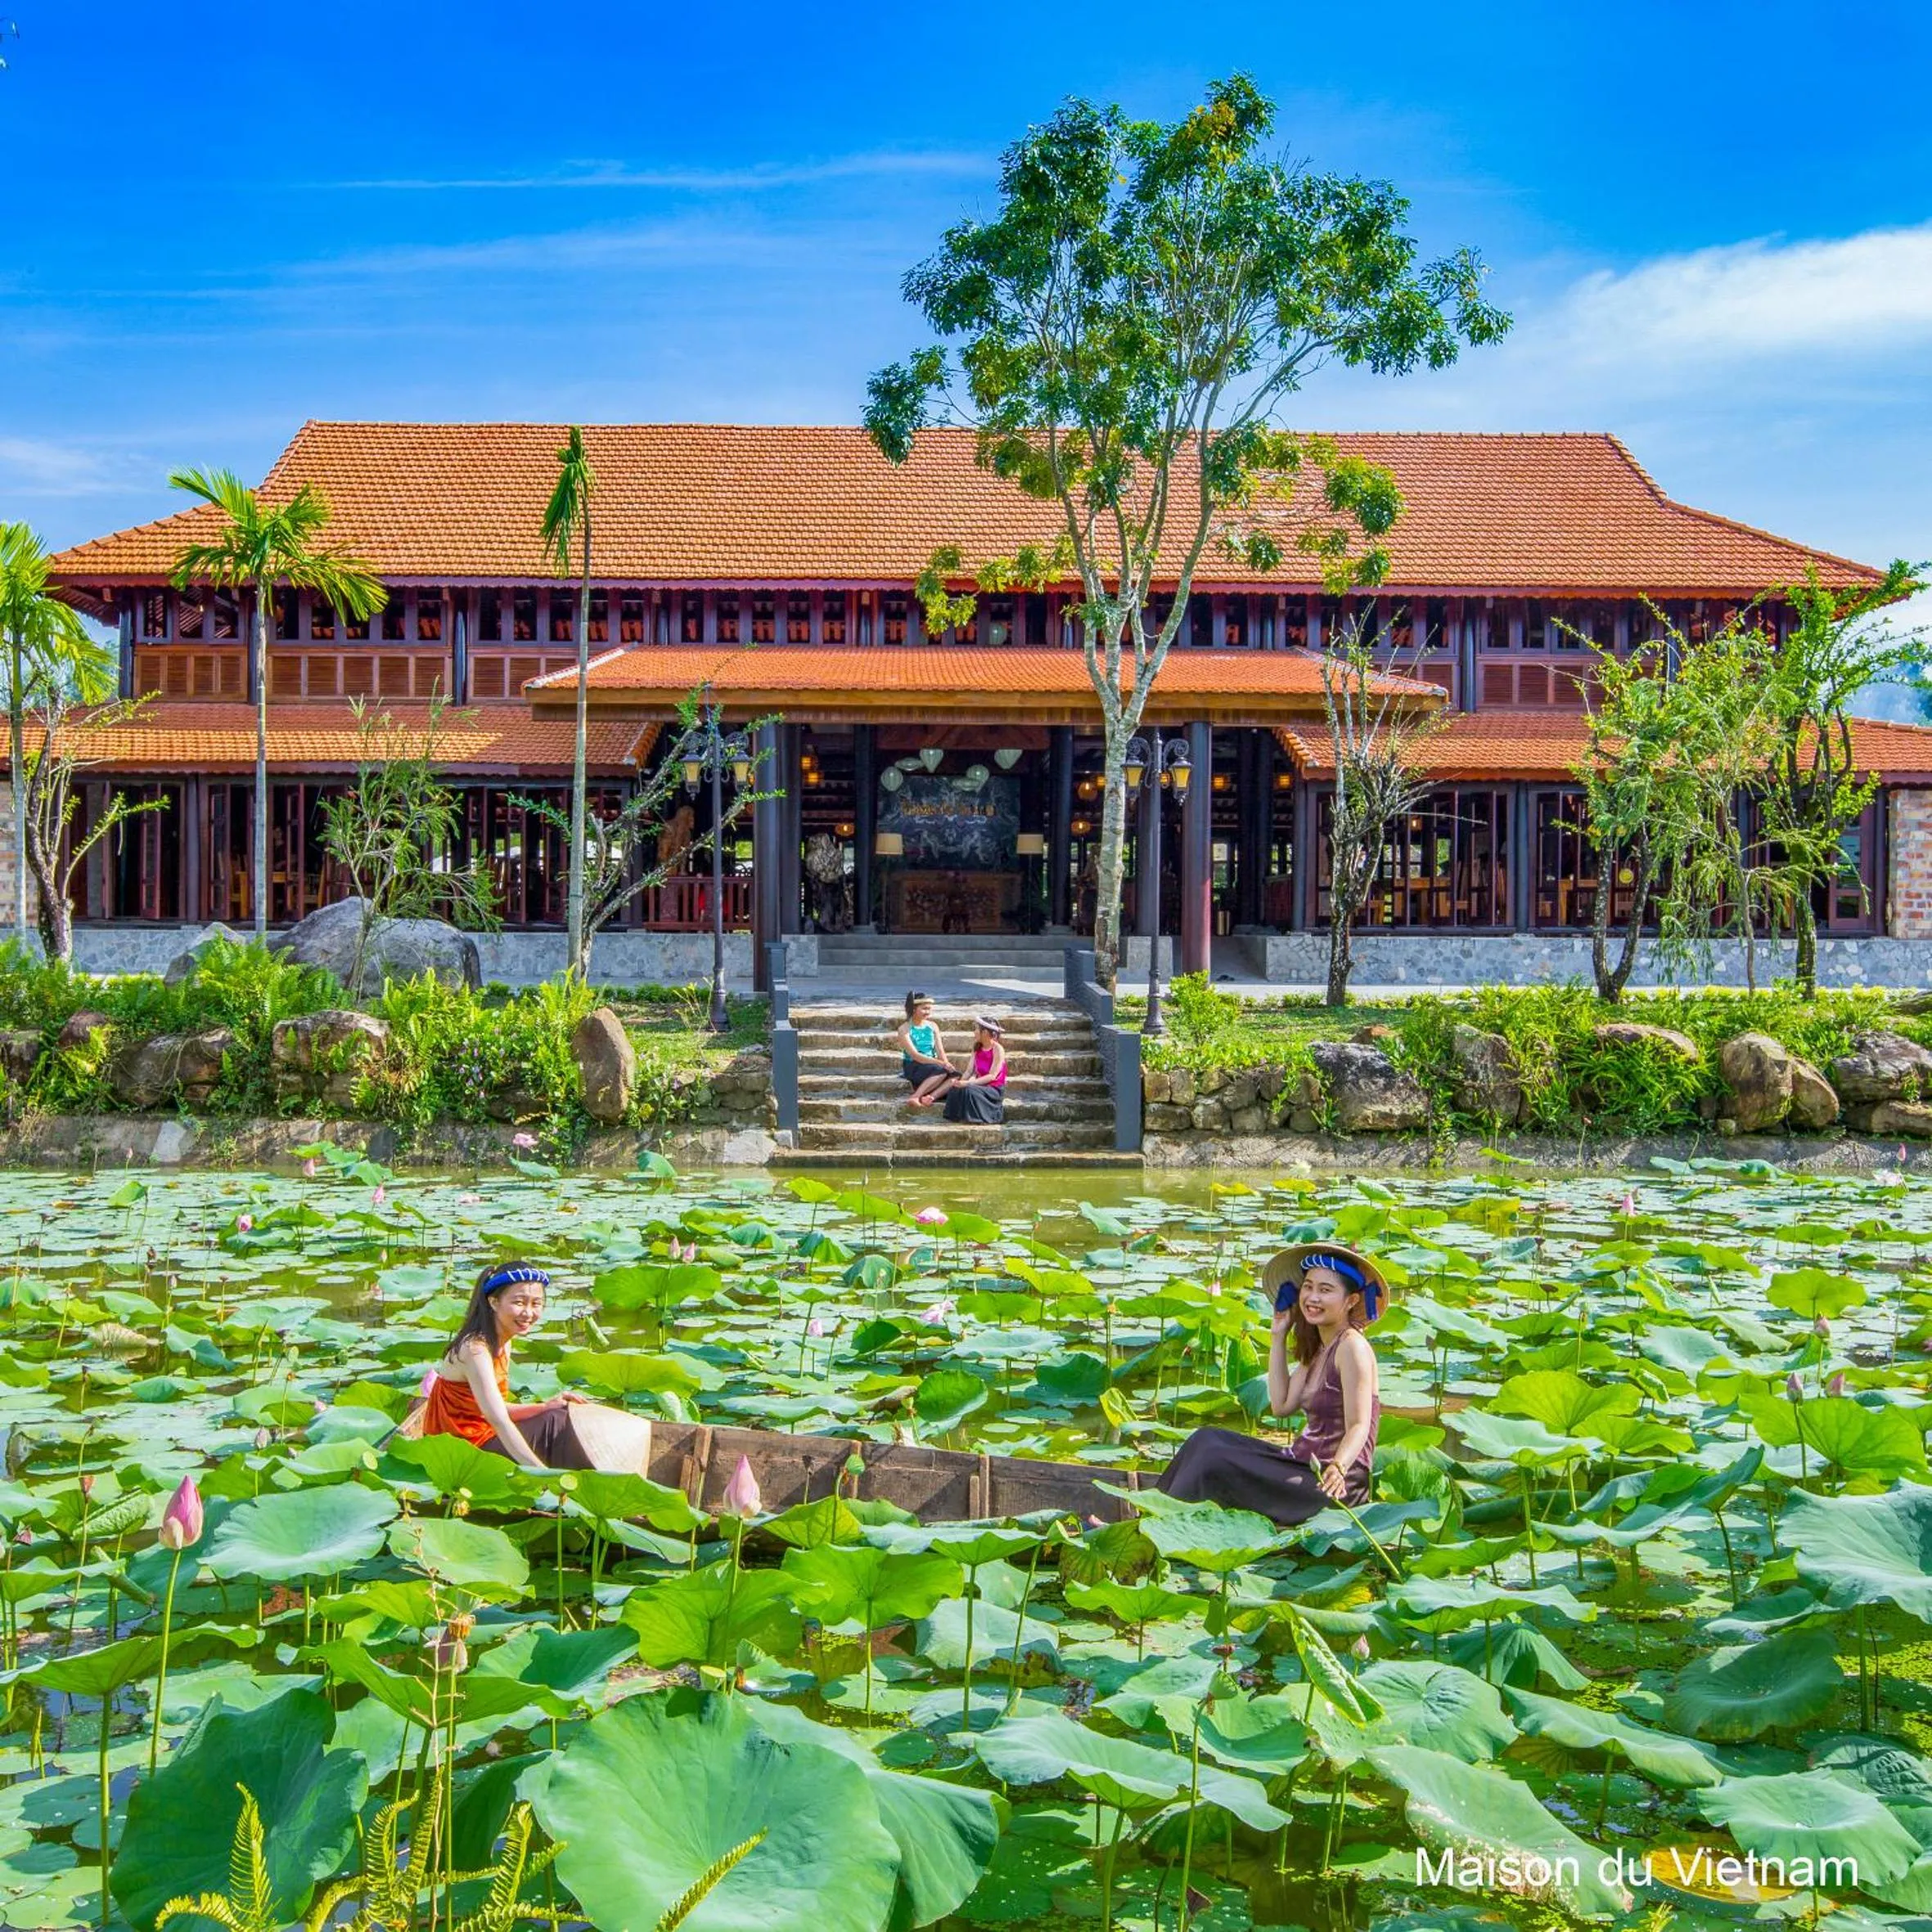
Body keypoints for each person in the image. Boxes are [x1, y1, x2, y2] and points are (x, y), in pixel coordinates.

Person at [1154, 1243, 1385, 1526]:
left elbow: (1360, 1425)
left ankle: (1155, 1530)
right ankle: (1149, 1517)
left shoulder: (1352, 1347)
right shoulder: (1320, 1348)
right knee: (1206, 1438)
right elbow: (1281, 1406)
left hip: (1333, 1487)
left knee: (1213, 1457)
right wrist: (1278, 1335)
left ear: (1351, 1301)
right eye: (1308, 1287)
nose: (1312, 1297)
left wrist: (1338, 1466)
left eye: (1325, 1290)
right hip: (1301, 1466)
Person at [423, 1263, 597, 1470]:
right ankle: (568, 1489)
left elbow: (497, 1409)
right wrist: (541, 1474)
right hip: (461, 1450)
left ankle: (577, 1486)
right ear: (494, 1302)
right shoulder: (475, 1350)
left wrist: (544, 1406)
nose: (528, 1313)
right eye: (519, 1302)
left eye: (536, 1304)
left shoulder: (503, 1341)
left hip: (483, 1435)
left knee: (559, 1413)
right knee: (556, 1424)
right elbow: (498, 1420)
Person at [939, 1016, 1008, 1124]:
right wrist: (959, 1082)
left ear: (985, 1032)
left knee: (969, 1090)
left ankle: (979, 1118)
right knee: (956, 1089)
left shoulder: (998, 1049)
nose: (974, 1032)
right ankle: (956, 1116)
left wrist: (968, 1083)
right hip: (980, 1085)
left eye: (976, 1029)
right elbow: (969, 1071)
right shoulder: (977, 1048)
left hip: (993, 1088)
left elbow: (992, 1076)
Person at [894, 991, 955, 1107]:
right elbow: (915, 1055)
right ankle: (916, 1096)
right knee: (941, 1072)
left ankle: (930, 1097)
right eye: (924, 1009)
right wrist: (940, 1063)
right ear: (914, 1009)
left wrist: (946, 1063)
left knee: (956, 1076)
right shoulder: (905, 1029)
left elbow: (940, 1050)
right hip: (914, 1065)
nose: (927, 1012)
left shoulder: (933, 1026)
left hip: (932, 1065)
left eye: (929, 1009)